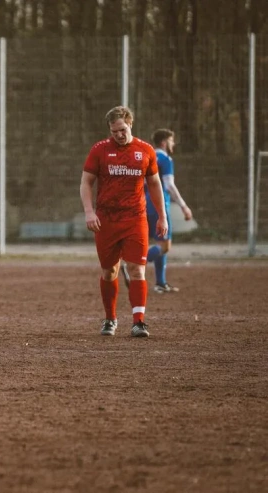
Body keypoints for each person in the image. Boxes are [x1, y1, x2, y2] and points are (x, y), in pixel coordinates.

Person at [80, 106, 168, 338]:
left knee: (137, 269)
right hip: (106, 220)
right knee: (109, 272)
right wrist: (89, 212)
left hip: (135, 218)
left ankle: (139, 321)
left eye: (122, 129)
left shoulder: (145, 150)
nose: (118, 134)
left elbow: (155, 184)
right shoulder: (99, 150)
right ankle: (110, 319)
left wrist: (162, 216)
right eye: (114, 131)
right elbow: (86, 182)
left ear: (131, 124)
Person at [141, 129, 193, 293]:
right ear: (164, 142)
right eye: (171, 141)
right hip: (160, 205)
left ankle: (160, 282)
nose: (173, 144)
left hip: (144, 204)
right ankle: (134, 265)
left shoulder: (146, 157)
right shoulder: (165, 159)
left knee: (159, 243)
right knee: (165, 246)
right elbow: (169, 185)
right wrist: (184, 206)